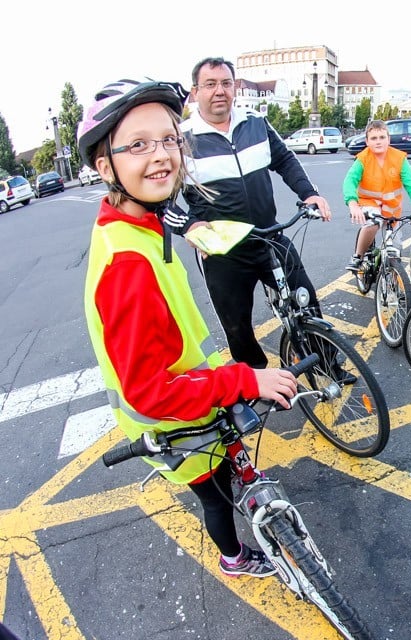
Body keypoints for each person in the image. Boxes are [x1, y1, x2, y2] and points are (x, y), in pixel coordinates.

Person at [78, 78, 299, 576]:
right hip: (176, 423)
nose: (161, 155)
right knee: (217, 497)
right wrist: (244, 379)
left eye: (170, 138)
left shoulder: (135, 223)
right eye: (137, 145)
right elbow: (149, 392)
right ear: (104, 165)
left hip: (197, 397)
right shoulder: (127, 265)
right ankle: (235, 557)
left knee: (226, 473)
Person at [168, 57, 355, 382]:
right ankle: (254, 383)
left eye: (226, 83)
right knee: (237, 326)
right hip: (223, 253)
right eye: (210, 85)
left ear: (235, 87)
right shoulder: (180, 140)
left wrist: (309, 193)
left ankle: (327, 367)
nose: (219, 91)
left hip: (269, 236)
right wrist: (189, 226)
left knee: (305, 299)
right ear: (195, 92)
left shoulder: (255, 123)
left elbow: (284, 159)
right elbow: (160, 201)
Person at [344, 119, 411, 271]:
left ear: (389, 139)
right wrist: (353, 204)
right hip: (369, 204)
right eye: (374, 138)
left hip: (392, 208)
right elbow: (350, 181)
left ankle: (392, 277)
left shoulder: (399, 159)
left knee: (395, 248)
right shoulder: (363, 159)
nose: (378, 142)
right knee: (372, 224)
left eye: (382, 137)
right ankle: (358, 256)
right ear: (367, 141)